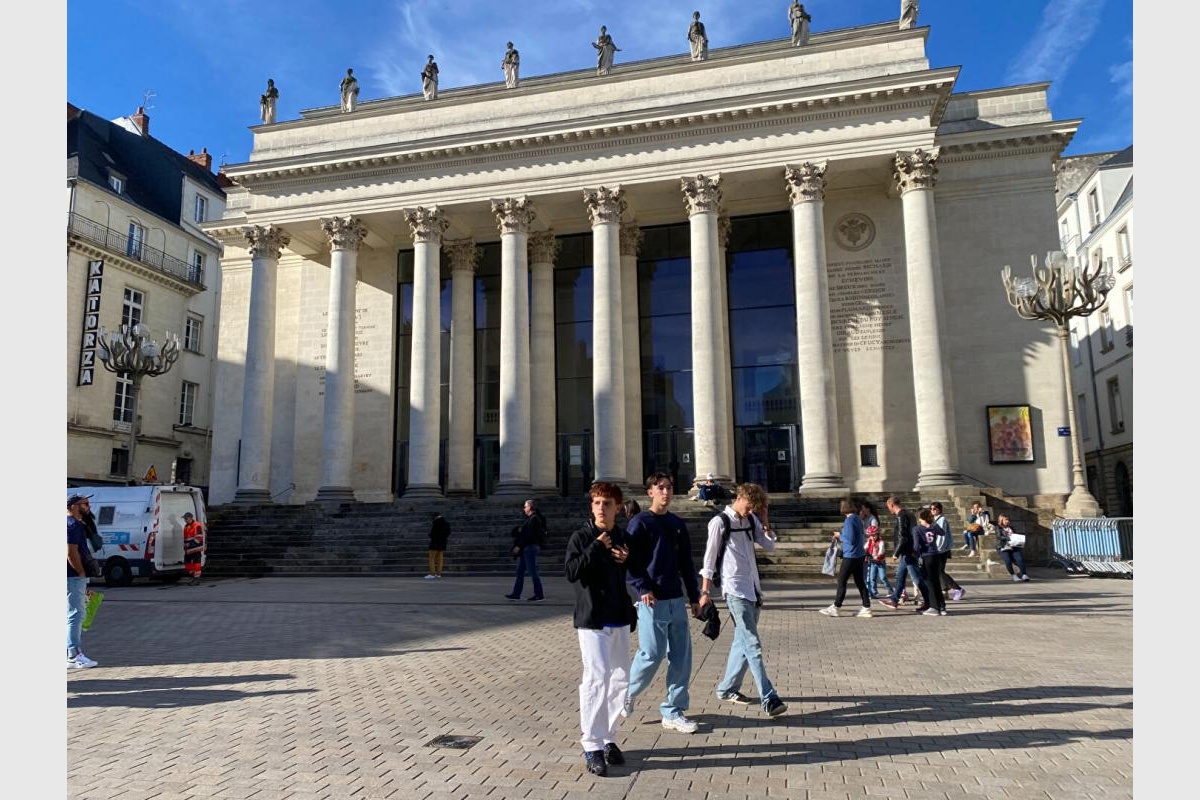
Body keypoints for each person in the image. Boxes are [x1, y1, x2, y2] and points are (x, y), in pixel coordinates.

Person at [564, 481, 636, 777]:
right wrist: (596, 546)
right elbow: (571, 571)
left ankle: (608, 737)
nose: (601, 508)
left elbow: (635, 570)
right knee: (597, 678)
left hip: (618, 616)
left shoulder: (623, 536)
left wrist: (628, 560)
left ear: (618, 507)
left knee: (620, 679)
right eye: (596, 503)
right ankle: (591, 744)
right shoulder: (581, 536)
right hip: (592, 619)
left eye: (607, 503)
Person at [699, 483, 787, 717]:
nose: (750, 511)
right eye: (749, 506)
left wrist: (764, 519)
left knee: (742, 642)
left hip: (753, 588)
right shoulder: (719, 522)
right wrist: (705, 592)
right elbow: (709, 559)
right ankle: (769, 697)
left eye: (754, 508)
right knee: (752, 644)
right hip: (734, 589)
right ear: (739, 498)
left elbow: (769, 546)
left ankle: (727, 689)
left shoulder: (751, 520)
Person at [624, 472, 702, 734]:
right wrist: (642, 588)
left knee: (682, 657)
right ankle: (629, 692)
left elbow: (686, 563)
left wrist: (694, 597)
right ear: (650, 493)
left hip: (675, 598)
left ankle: (673, 710)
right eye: (660, 488)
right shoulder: (640, 523)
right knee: (652, 653)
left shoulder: (677, 523)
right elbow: (630, 561)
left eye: (669, 487)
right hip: (652, 600)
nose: (666, 492)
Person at [820, 499, 872, 617]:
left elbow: (850, 539)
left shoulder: (849, 520)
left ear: (843, 509)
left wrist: (839, 535)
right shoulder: (858, 519)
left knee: (842, 581)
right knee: (860, 582)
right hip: (859, 555)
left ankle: (836, 607)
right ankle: (866, 607)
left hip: (851, 556)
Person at [879, 495, 928, 611]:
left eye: (888, 507)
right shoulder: (909, 514)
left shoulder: (901, 516)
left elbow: (903, 537)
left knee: (916, 578)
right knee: (900, 576)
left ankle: (930, 601)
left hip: (908, 551)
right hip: (910, 550)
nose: (888, 509)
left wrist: (896, 553)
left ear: (891, 505)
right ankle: (894, 600)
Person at [67, 494, 98, 669]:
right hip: (72, 576)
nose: (88, 506)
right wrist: (80, 573)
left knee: (72, 614)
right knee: (76, 614)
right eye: (85, 503)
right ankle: (74, 655)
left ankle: (72, 653)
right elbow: (71, 552)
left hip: (70, 576)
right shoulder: (73, 525)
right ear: (74, 506)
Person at [506, 499, 547, 601]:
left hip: (530, 548)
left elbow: (528, 536)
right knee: (520, 572)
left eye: (525, 506)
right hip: (526, 548)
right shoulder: (530, 519)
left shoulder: (534, 519)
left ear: (530, 507)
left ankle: (539, 594)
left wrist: (519, 546)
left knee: (533, 571)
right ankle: (516, 593)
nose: (524, 509)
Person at [930, 501, 965, 601]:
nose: (932, 511)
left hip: (941, 550)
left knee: (939, 571)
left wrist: (937, 549)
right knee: (939, 571)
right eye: (931, 509)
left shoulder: (942, 520)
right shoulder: (935, 520)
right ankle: (944, 590)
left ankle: (957, 588)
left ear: (939, 510)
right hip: (939, 549)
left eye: (934, 509)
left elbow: (942, 536)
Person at [914, 508, 945, 616]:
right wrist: (934, 524)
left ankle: (934, 607)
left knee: (928, 582)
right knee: (936, 581)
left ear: (920, 517)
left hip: (926, 556)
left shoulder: (917, 529)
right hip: (935, 555)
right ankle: (942, 606)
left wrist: (914, 554)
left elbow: (916, 546)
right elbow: (942, 532)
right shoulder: (933, 527)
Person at [864, 513, 891, 599]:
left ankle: (890, 590)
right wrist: (865, 554)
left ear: (877, 534)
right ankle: (874, 592)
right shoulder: (869, 541)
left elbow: (881, 551)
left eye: (874, 535)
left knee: (883, 577)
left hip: (880, 562)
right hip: (872, 562)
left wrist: (877, 556)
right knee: (872, 578)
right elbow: (865, 548)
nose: (872, 537)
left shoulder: (881, 542)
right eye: (870, 536)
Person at [996, 513, 1030, 582]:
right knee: (1008, 561)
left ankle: (1024, 574)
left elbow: (1015, 535)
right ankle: (1013, 575)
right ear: (1001, 520)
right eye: (1005, 520)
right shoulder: (998, 528)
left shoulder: (1011, 528)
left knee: (1020, 559)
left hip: (1013, 546)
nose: (1007, 521)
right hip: (1003, 547)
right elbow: (999, 537)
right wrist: (1008, 538)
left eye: (1008, 520)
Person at [183, 512, 205, 585]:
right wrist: (185, 545)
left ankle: (196, 579)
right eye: (184, 518)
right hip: (189, 549)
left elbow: (199, 537)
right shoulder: (186, 526)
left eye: (186, 518)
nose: (185, 520)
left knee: (196, 563)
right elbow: (186, 538)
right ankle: (194, 576)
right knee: (187, 563)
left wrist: (190, 544)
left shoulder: (197, 525)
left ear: (190, 518)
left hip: (196, 548)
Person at [426, 512, 450, 579]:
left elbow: (433, 533)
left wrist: (430, 535)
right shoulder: (446, 523)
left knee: (432, 558)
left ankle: (432, 573)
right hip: (442, 543)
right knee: (440, 558)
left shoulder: (436, 523)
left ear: (435, 517)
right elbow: (448, 533)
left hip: (435, 543)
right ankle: (439, 573)